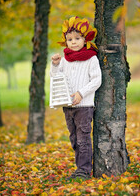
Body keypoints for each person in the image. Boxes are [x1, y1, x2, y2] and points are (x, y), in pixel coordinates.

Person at [51, 16, 102, 180]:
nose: (73, 42)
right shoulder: (65, 59)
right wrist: (55, 65)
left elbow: (96, 80)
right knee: (74, 138)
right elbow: (56, 78)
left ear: (85, 39)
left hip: (84, 106)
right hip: (68, 106)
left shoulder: (91, 58)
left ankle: (84, 170)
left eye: (77, 38)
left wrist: (81, 93)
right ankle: (79, 167)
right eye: (70, 39)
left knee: (83, 139)